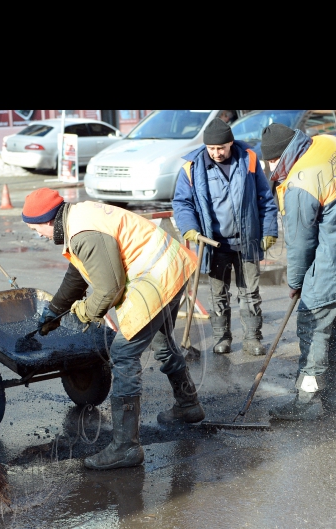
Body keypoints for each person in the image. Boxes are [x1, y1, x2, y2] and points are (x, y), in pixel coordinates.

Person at [23, 189, 202, 471]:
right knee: (161, 340)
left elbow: (109, 289)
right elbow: (80, 272)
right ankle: (188, 405)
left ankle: (125, 447)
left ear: (48, 221)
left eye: (36, 230)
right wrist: (55, 309)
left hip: (154, 276)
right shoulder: (79, 217)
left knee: (123, 353)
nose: (40, 236)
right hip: (171, 266)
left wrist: (85, 311)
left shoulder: (82, 233)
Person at [260, 123, 336, 420]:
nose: (269, 167)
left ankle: (304, 400)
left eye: (270, 161)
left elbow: (300, 243)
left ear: (277, 157)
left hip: (334, 266)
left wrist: (295, 282)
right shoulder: (330, 143)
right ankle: (334, 398)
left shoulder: (300, 184)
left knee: (313, 329)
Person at [173, 117, 279, 356]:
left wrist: (270, 230)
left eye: (220, 148)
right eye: (211, 148)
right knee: (218, 293)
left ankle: (252, 338)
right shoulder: (192, 167)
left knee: (250, 292)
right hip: (214, 243)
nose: (216, 153)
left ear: (231, 143)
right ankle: (222, 338)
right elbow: (182, 202)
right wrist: (189, 227)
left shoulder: (249, 160)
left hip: (247, 240)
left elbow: (265, 199)